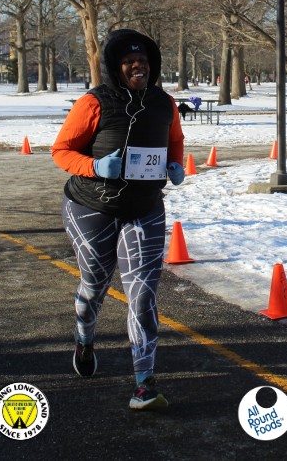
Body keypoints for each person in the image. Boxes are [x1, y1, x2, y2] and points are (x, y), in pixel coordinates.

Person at [51, 28, 185, 411]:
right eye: (129, 62)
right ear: (116, 67)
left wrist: (175, 164)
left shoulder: (164, 103)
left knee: (142, 295)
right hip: (91, 207)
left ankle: (145, 385)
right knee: (95, 284)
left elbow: (174, 139)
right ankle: (84, 336)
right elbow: (61, 151)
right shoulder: (94, 102)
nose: (137, 66)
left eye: (142, 61)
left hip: (144, 208)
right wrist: (95, 166)